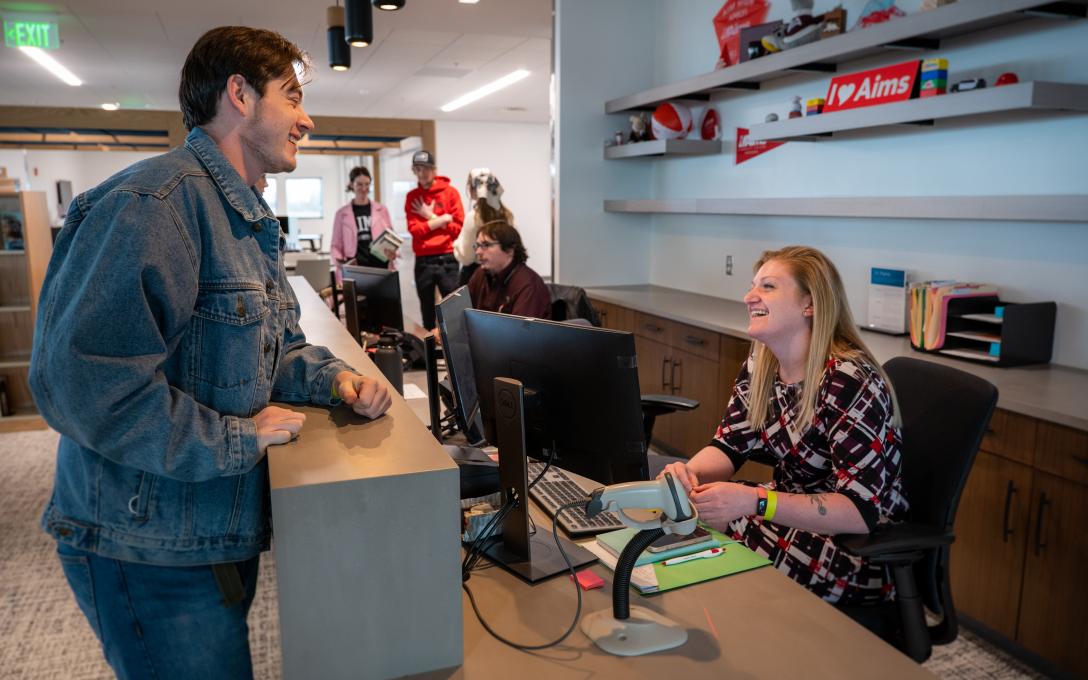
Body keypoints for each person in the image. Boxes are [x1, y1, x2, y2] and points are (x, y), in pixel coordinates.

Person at [28, 26, 392, 680]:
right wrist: (229, 439)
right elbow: (79, 386)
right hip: (146, 547)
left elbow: (266, 349)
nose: (308, 119)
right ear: (240, 95)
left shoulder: (244, 219)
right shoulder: (154, 205)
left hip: (205, 531)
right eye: (293, 96)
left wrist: (337, 381)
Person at [660, 245, 908, 605]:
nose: (749, 297)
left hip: (855, 549)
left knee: (705, 534)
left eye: (768, 287)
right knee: (690, 513)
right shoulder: (762, 364)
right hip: (789, 517)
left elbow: (860, 511)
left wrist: (755, 501)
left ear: (810, 304)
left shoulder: (849, 381)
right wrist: (686, 476)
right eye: (752, 286)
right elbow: (729, 446)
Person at [405, 150, 463, 330]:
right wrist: (442, 219)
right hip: (423, 261)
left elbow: (457, 229)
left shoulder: (450, 193)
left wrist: (428, 215)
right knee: (427, 312)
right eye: (417, 169)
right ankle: (430, 352)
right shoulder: (413, 197)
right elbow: (415, 230)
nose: (421, 173)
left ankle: (455, 352)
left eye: (425, 169)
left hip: (447, 258)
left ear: (434, 170)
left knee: (452, 310)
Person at [467, 219, 551, 319]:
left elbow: (520, 332)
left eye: (486, 245)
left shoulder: (529, 285)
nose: (478, 252)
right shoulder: (480, 274)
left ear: (509, 250)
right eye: (477, 246)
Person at [329, 165, 395, 283]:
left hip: (380, 265)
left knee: (383, 301)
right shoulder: (341, 213)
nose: (364, 188)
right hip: (356, 268)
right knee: (358, 301)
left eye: (367, 184)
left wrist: (393, 252)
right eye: (359, 184)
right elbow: (335, 244)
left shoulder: (382, 209)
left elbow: (391, 236)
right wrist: (341, 264)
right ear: (351, 185)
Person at [453, 167, 513, 286]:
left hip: (478, 278)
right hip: (504, 275)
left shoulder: (474, 217)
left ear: (472, 190)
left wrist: (456, 244)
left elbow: (466, 257)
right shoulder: (507, 215)